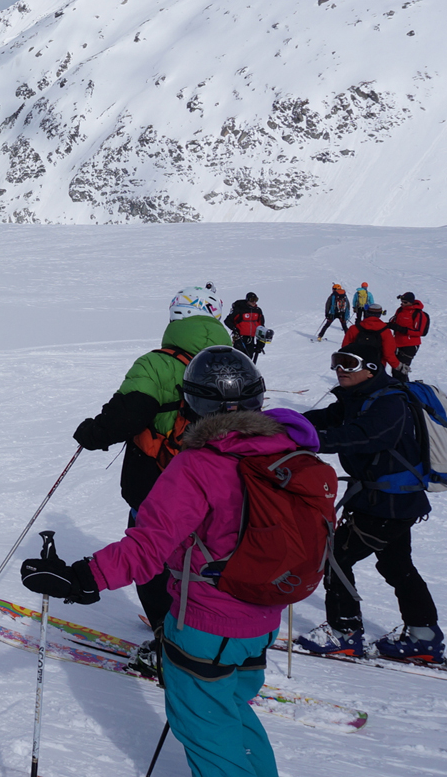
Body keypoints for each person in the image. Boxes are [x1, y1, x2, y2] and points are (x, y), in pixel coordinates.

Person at [24, 347, 304, 777]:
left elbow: (147, 546)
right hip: (262, 618)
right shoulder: (285, 452)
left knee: (207, 734)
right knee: (231, 715)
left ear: (191, 404)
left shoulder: (199, 465)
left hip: (208, 624)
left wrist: (79, 578)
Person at [71, 284, 231, 672]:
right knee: (198, 560)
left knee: (152, 561)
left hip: (159, 484)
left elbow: (126, 416)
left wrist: (91, 433)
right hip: (217, 483)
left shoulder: (156, 364)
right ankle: (206, 632)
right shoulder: (232, 361)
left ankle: (168, 646)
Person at [294, 343, 443, 662]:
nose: (339, 369)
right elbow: (323, 419)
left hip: (389, 504)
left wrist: (311, 439)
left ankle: (344, 633)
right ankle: (423, 635)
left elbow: (366, 436)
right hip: (385, 501)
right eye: (336, 362)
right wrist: (284, 425)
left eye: (348, 363)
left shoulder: (390, 402)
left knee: (336, 557)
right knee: (397, 565)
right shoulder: (357, 398)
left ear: (371, 368)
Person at [343, 302, 401, 375]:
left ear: (366, 313)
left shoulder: (354, 329)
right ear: (379, 315)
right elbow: (388, 353)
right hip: (377, 367)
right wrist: (397, 366)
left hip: (356, 366)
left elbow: (345, 348)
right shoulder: (385, 331)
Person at [389, 292, 429, 380]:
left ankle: (404, 389)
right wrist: (389, 325)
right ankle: (397, 388)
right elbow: (394, 322)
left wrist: (402, 329)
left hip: (409, 345)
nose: (403, 304)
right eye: (402, 302)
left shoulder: (418, 313)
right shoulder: (400, 310)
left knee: (401, 371)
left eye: (405, 302)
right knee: (395, 369)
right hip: (397, 343)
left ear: (411, 302)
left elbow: (419, 331)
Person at [224, 293, 266, 361]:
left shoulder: (258, 311)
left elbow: (261, 326)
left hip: (251, 338)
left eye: (256, 300)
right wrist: (235, 329)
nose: (254, 302)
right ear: (247, 300)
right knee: (238, 357)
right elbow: (227, 321)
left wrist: (261, 342)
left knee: (249, 358)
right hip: (240, 338)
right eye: (252, 300)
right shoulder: (240, 310)